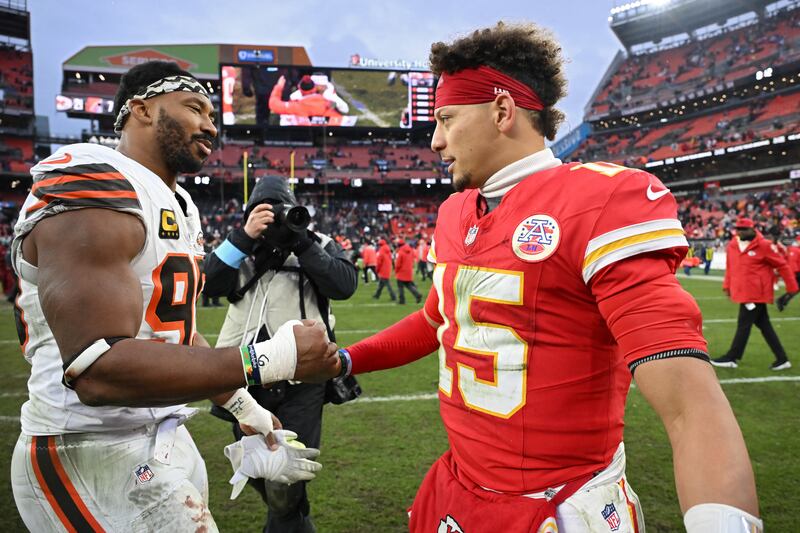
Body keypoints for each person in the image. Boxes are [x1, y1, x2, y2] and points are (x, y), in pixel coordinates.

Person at [331, 23, 762, 532]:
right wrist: (344, 359)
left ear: (501, 111)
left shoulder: (601, 201)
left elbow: (691, 405)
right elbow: (438, 320)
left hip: (559, 506)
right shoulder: (454, 212)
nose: (436, 139)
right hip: (456, 488)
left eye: (447, 118)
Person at [9, 61, 338, 532]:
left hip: (164, 435)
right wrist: (272, 359)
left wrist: (248, 410)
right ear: (141, 110)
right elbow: (97, 370)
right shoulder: (93, 178)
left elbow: (176, 340)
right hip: (86, 447)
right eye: (193, 108)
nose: (210, 124)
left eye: (211, 113)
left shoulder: (179, 202)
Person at [202, 175, 359, 533]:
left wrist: (301, 242)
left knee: (289, 473)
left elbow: (344, 284)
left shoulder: (317, 242)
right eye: (265, 212)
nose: (274, 219)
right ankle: (291, 518)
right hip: (243, 374)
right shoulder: (238, 246)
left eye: (280, 211)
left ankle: (288, 516)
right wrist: (244, 236)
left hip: (303, 374)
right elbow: (206, 284)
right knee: (257, 465)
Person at [711, 217, 798, 370]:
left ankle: (732, 357)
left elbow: (782, 265)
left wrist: (792, 287)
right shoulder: (733, 245)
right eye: (738, 228)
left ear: (753, 229)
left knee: (743, 324)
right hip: (743, 291)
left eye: (743, 229)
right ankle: (782, 359)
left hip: (756, 293)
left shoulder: (764, 245)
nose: (740, 231)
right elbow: (730, 267)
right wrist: (727, 285)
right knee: (765, 326)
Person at [394, 237, 422, 305]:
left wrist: (396, 271)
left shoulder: (400, 252)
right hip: (408, 272)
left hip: (401, 273)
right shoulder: (410, 250)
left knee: (400, 288)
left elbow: (398, 264)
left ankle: (402, 301)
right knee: (409, 286)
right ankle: (417, 294)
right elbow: (413, 260)